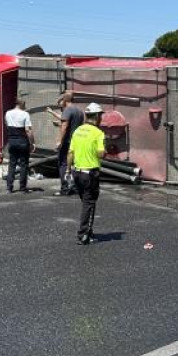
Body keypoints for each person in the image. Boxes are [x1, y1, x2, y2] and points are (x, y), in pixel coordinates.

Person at [66, 103, 106, 244]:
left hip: (76, 172)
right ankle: (83, 235)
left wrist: (67, 171)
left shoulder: (77, 131)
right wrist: (102, 150)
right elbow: (101, 154)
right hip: (90, 174)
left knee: (86, 202)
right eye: (101, 115)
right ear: (96, 116)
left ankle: (88, 231)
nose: (101, 118)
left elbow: (70, 152)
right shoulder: (98, 133)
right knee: (89, 203)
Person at [53, 93, 85, 196]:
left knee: (63, 164)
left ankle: (65, 189)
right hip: (77, 142)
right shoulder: (80, 111)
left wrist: (60, 141)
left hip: (67, 142)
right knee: (75, 165)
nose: (59, 103)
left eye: (60, 101)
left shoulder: (67, 110)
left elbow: (65, 126)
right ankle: (75, 188)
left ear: (65, 100)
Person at [4, 97, 34, 193]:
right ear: (21, 104)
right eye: (24, 104)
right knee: (24, 164)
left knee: (12, 164)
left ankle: (9, 187)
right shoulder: (25, 114)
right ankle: (22, 187)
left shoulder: (8, 113)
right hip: (22, 141)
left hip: (12, 140)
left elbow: (7, 124)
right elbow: (28, 130)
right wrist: (32, 142)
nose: (25, 106)